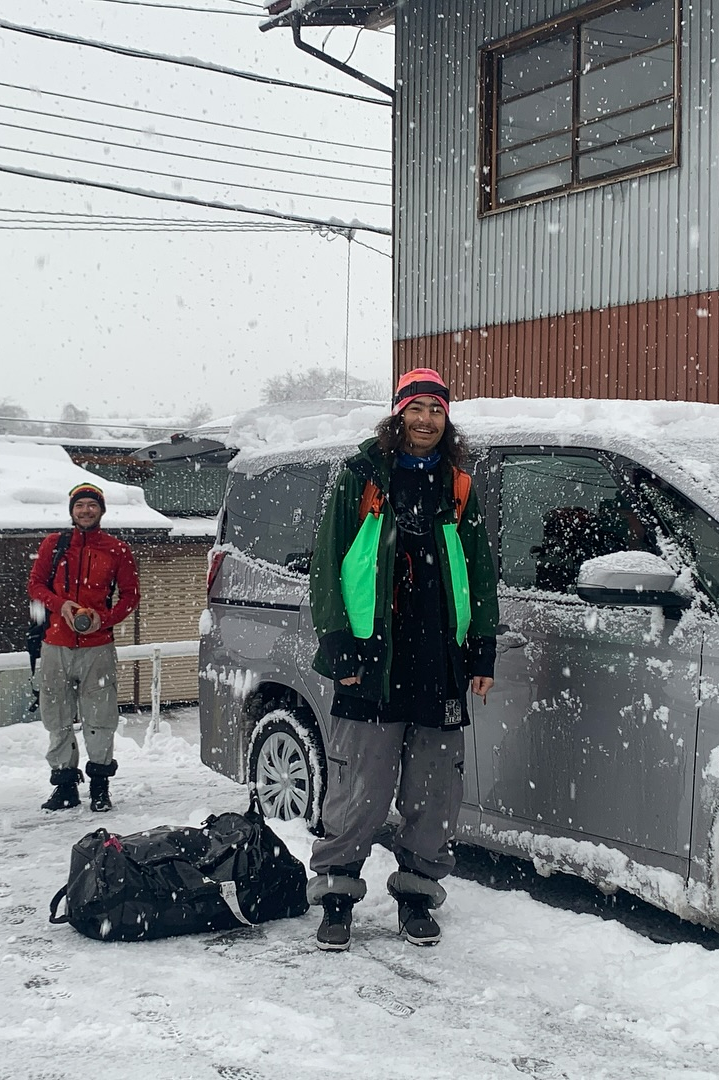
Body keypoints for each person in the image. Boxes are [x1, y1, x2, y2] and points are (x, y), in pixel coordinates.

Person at [306, 368, 499, 950]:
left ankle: (417, 895)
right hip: (372, 655)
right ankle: (337, 896)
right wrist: (336, 639)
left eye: (435, 411)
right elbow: (328, 562)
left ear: (447, 419)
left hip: (439, 657)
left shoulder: (458, 483)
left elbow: (481, 570)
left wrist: (481, 647)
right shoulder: (362, 475)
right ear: (398, 415)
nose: (425, 421)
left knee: (434, 789)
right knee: (358, 786)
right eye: (415, 409)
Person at [28, 482, 141, 813]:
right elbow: (34, 585)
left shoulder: (117, 549)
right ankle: (64, 786)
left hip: (98, 647)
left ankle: (100, 786)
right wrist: (60, 604)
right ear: (72, 511)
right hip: (55, 645)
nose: (86, 510)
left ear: (102, 511)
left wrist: (102, 619)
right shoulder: (54, 545)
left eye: (92, 505)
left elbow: (131, 595)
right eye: (80, 506)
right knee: (56, 715)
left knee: (100, 716)